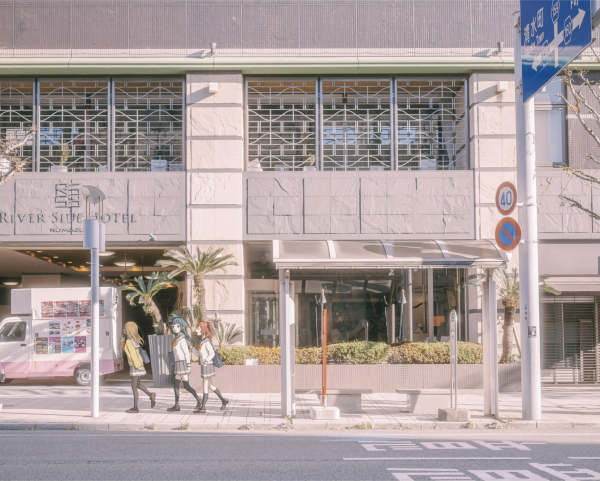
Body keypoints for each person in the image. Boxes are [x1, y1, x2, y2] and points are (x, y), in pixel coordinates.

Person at [167, 317, 202, 412]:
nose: (175, 328)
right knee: (176, 384)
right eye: (173, 326)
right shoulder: (176, 338)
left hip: (183, 363)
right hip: (178, 363)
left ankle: (199, 400)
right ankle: (177, 405)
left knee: (186, 385)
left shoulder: (182, 339)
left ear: (181, 326)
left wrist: (189, 365)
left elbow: (186, 353)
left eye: (177, 326)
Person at [192, 320, 228, 413]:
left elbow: (212, 353)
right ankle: (223, 400)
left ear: (204, 329)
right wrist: (192, 349)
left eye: (199, 327)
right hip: (205, 365)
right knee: (209, 385)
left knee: (205, 384)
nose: (197, 329)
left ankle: (203, 407)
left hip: (207, 365)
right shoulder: (202, 341)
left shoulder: (207, 341)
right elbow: (199, 353)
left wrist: (206, 360)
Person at [121, 321, 156, 414]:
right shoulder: (134, 341)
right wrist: (122, 343)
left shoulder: (129, 341)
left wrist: (137, 367)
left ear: (129, 330)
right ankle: (151, 395)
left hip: (135, 366)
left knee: (134, 388)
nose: (124, 330)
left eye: (126, 328)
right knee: (138, 385)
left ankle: (135, 407)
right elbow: (130, 352)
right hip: (139, 364)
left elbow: (132, 355)